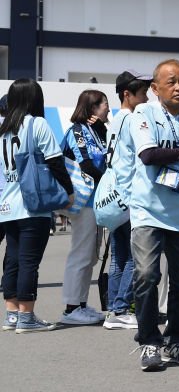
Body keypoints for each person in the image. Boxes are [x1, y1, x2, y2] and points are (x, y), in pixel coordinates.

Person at [126, 59, 179, 370]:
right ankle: (148, 341)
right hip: (148, 209)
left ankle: (178, 342)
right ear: (155, 88)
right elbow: (149, 155)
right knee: (147, 275)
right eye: (171, 81)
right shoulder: (143, 114)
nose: (178, 87)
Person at [1, 80, 75, 333]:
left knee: (12, 259)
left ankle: (11, 314)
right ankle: (27, 316)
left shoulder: (4, 128)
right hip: (33, 204)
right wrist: (69, 191)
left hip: (7, 204)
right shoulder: (37, 123)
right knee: (29, 261)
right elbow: (55, 162)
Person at [103, 70, 152, 330]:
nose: (146, 97)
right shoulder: (132, 120)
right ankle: (121, 308)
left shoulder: (114, 120)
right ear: (127, 94)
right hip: (129, 196)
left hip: (114, 199)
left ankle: (114, 309)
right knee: (136, 257)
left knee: (119, 257)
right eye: (142, 93)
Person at [59, 89, 110, 326]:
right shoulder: (77, 131)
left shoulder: (99, 131)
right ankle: (70, 308)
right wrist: (110, 184)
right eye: (104, 105)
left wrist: (102, 129)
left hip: (95, 201)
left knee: (90, 255)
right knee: (80, 252)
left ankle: (80, 303)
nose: (108, 108)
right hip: (83, 201)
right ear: (93, 108)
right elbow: (87, 164)